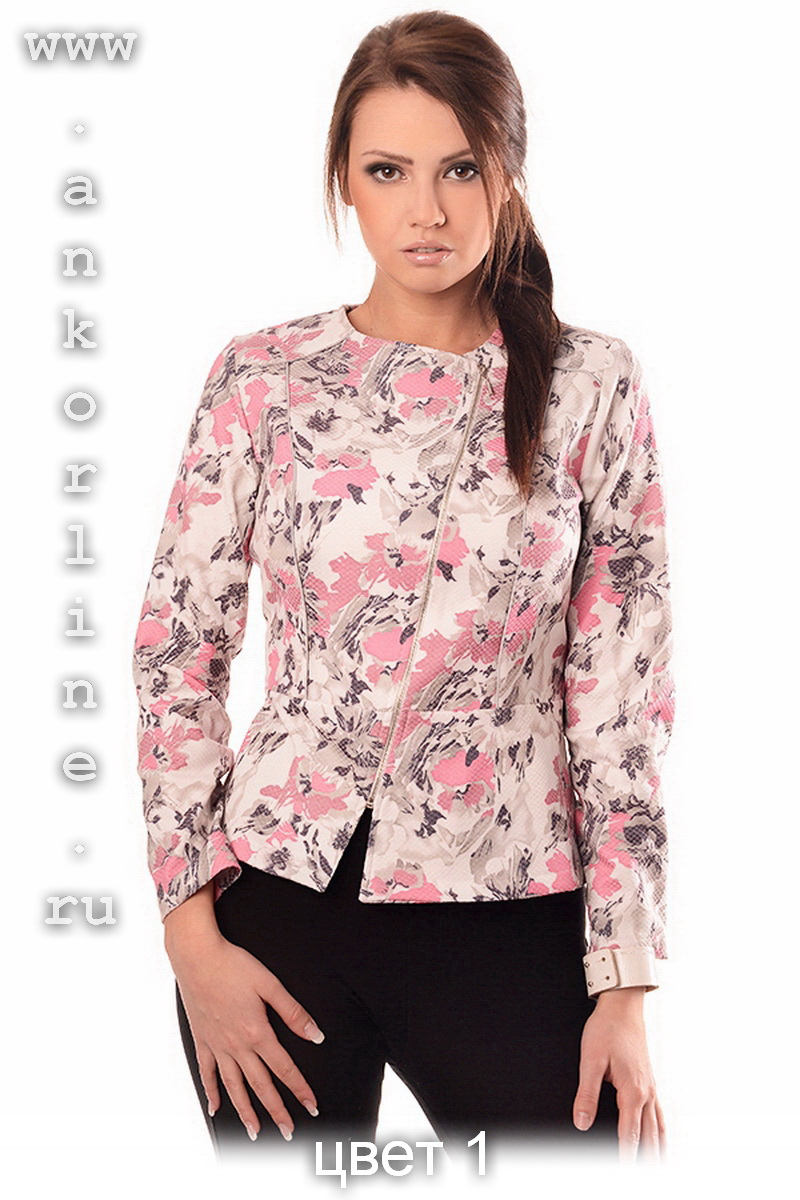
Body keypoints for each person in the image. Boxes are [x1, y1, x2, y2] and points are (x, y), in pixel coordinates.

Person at [131, 10, 675, 1165]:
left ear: (507, 171)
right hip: (275, 916)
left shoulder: (591, 385)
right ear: (344, 179)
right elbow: (178, 648)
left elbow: (619, 701)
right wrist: (191, 939)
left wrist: (624, 985)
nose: (424, 210)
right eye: (387, 171)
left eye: (458, 169)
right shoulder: (263, 379)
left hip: (514, 913)